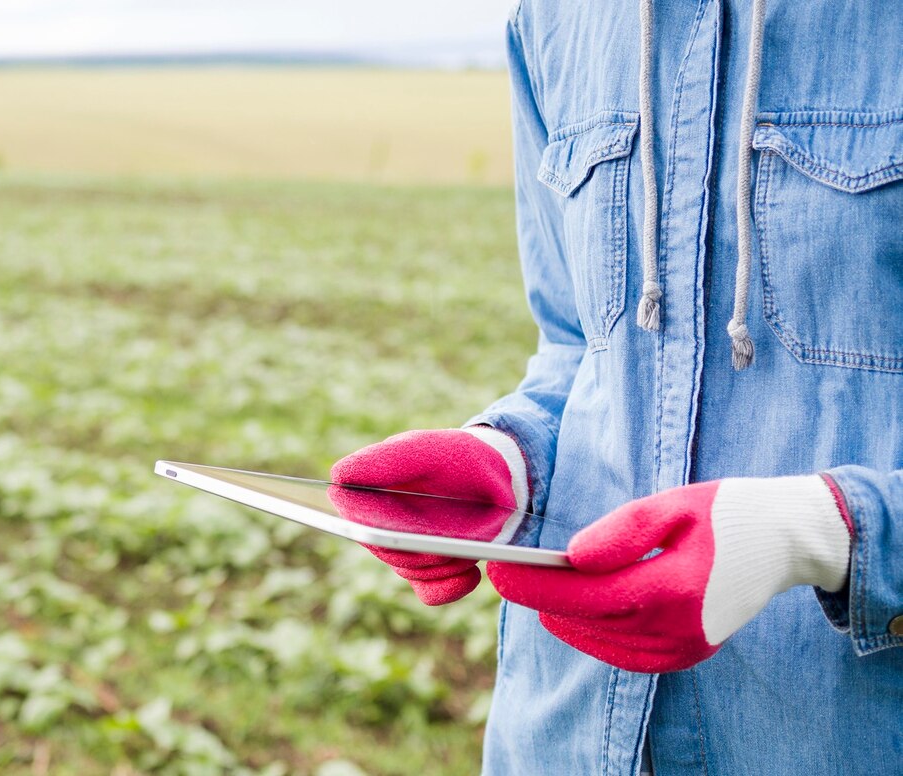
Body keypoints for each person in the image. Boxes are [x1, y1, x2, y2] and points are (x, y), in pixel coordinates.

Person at [331, 1, 903, 773]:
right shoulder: (553, 21)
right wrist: (505, 456)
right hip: (560, 735)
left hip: (839, 735)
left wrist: (814, 532)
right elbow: (576, 345)